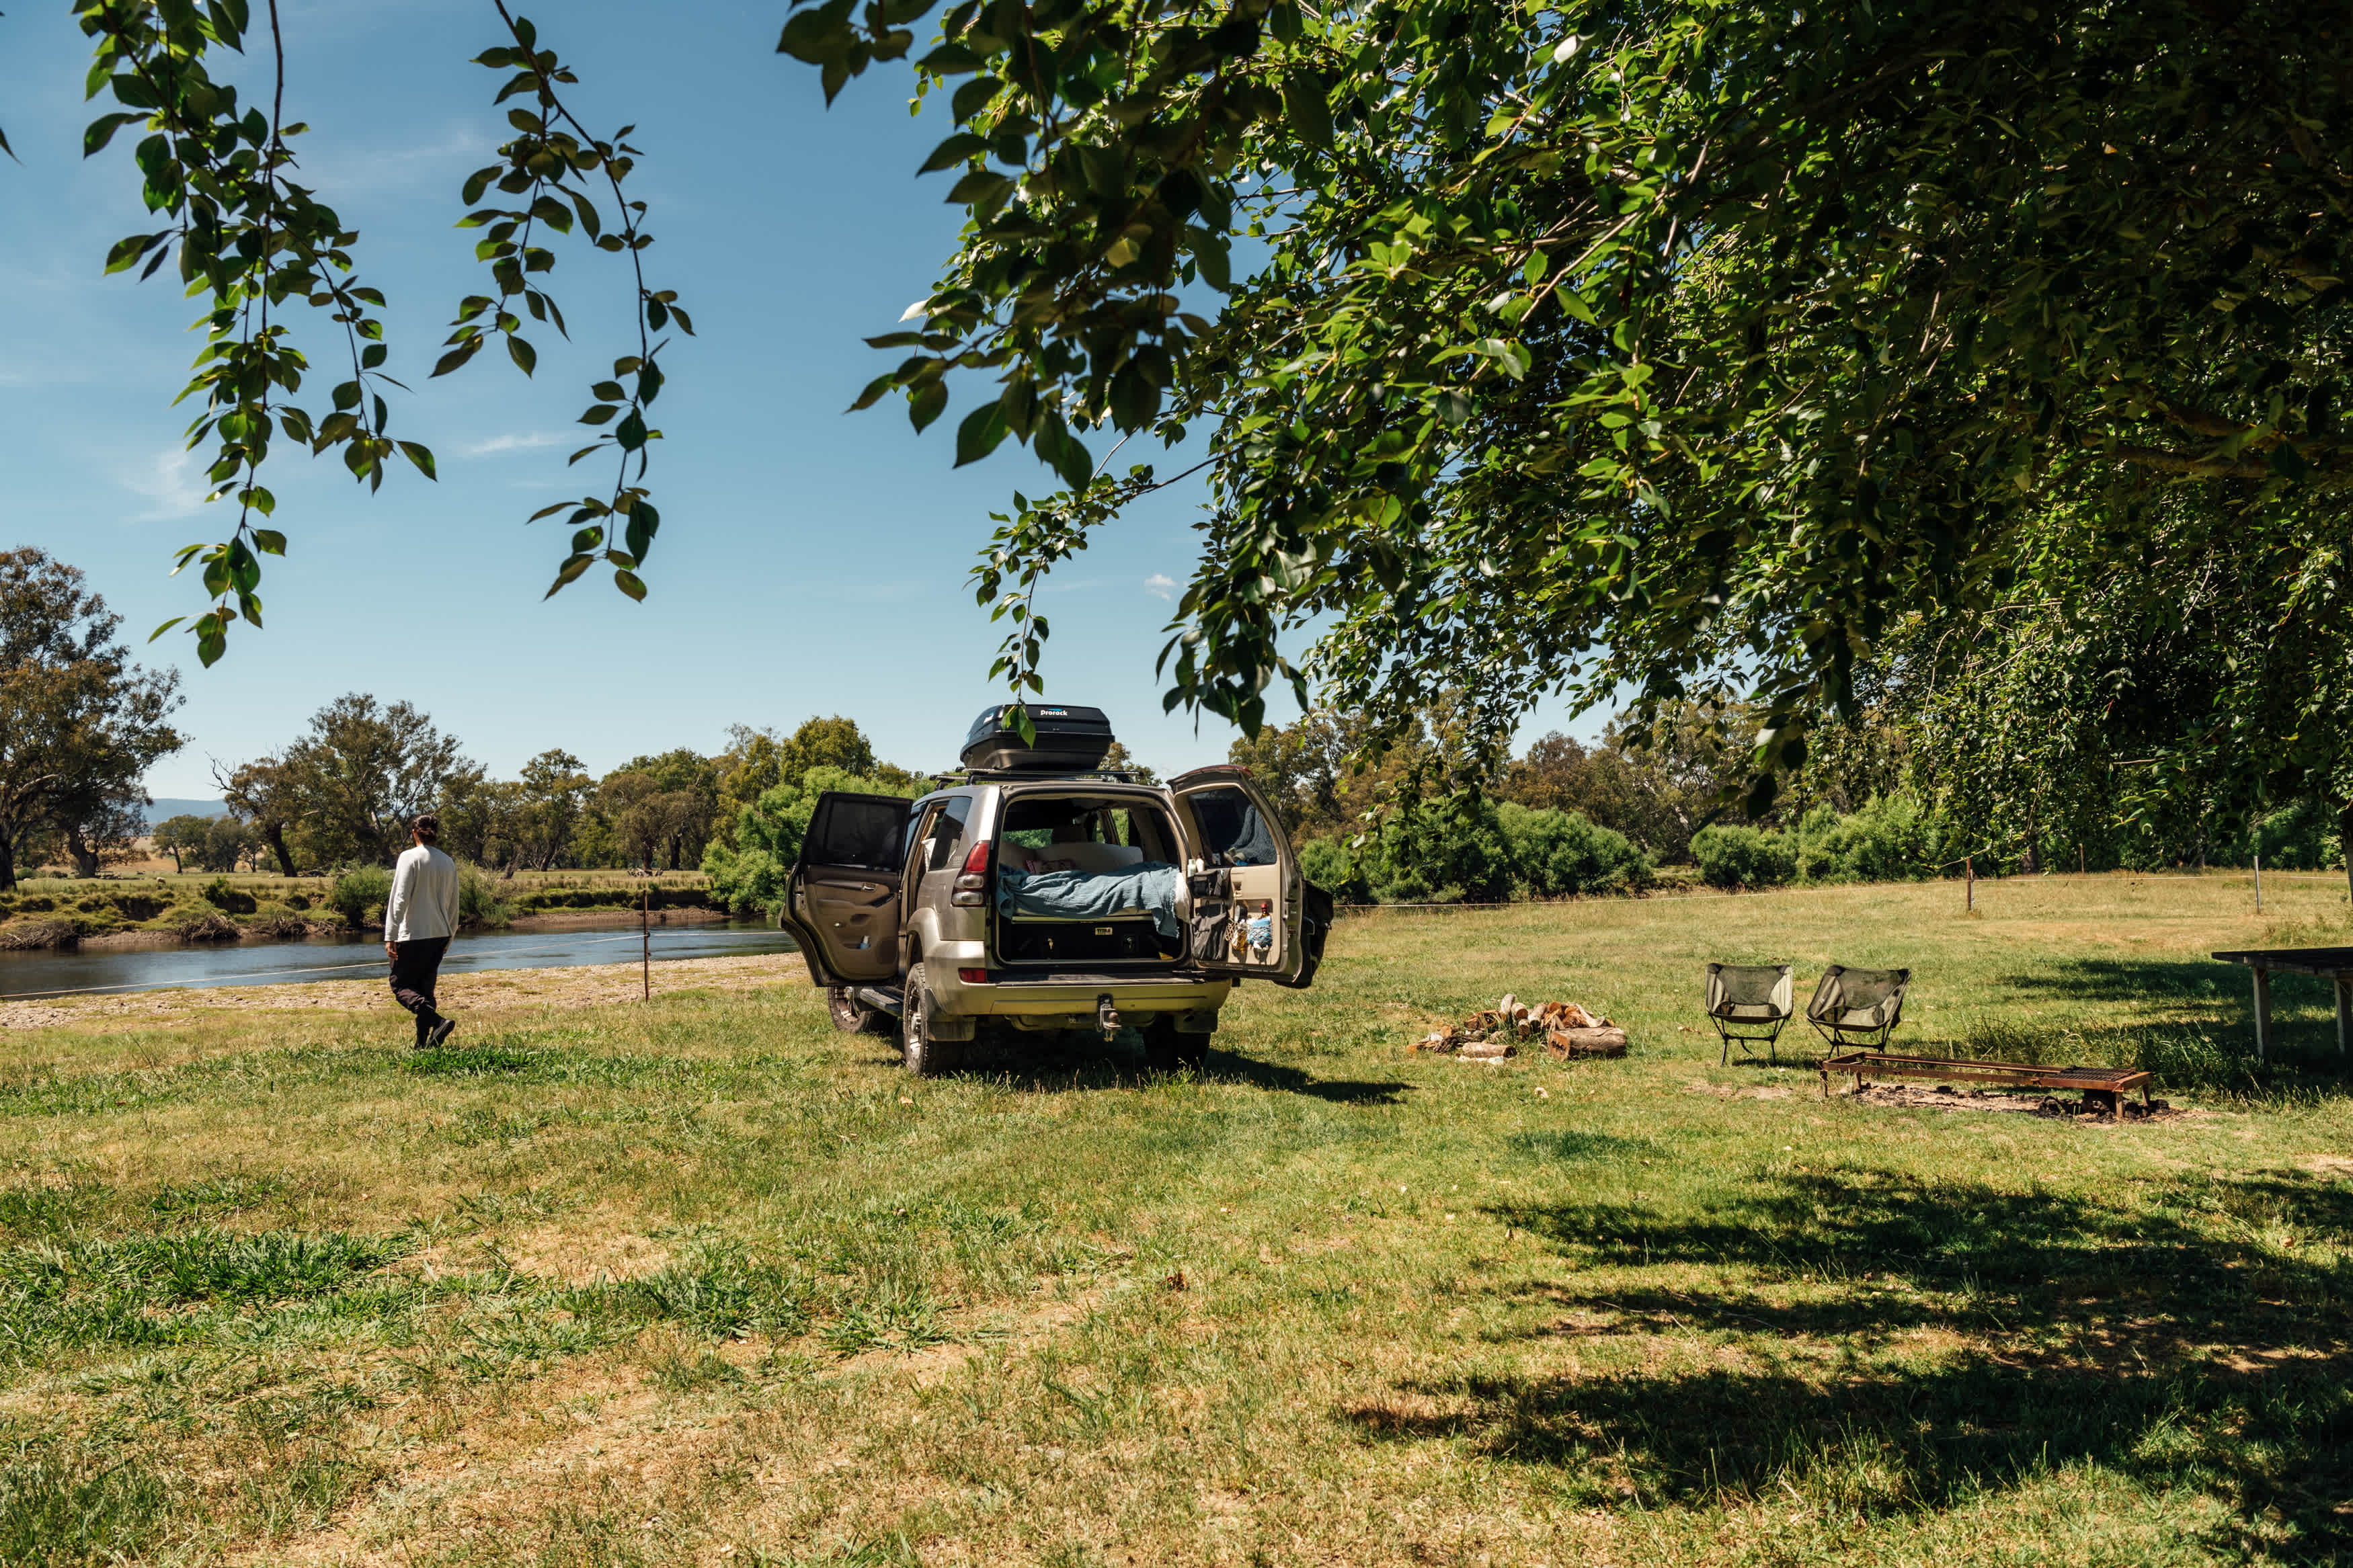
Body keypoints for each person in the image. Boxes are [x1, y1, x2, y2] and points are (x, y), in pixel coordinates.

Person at [386, 813, 463, 1048]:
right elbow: (454, 903)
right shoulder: (447, 861)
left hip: (413, 933)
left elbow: (400, 899)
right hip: (439, 933)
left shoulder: (409, 857)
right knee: (425, 990)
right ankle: (423, 1044)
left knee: (400, 985)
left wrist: (391, 935)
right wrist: (450, 936)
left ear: (414, 833)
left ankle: (438, 1022)